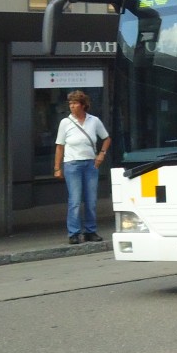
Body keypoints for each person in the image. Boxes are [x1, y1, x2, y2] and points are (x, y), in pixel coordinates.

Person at [53, 90, 110, 245]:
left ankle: (90, 231)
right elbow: (59, 146)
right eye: (70, 104)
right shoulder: (65, 123)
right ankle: (74, 233)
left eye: (75, 103)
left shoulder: (94, 121)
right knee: (75, 200)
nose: (72, 106)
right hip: (72, 164)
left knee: (91, 200)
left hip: (90, 164)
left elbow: (106, 138)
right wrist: (57, 167)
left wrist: (101, 154)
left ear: (83, 105)